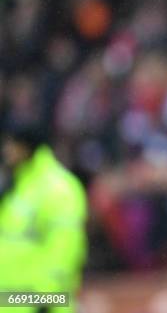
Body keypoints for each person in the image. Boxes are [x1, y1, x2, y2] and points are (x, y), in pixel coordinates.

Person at [0, 125, 88, 313]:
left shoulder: (59, 188)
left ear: (26, 147)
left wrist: (46, 298)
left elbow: (65, 249)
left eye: (11, 144)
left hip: (41, 303)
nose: (6, 150)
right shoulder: (18, 185)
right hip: (12, 302)